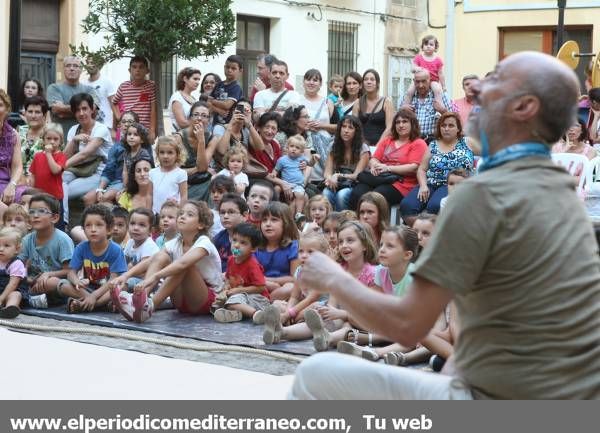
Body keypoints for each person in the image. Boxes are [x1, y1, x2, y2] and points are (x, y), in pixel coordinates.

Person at [290, 51, 600, 400]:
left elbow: (408, 325)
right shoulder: (562, 192)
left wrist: (332, 276)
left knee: (316, 374)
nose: (479, 87)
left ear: (525, 107)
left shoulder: (484, 195)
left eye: (496, 79)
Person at [112, 200, 224, 323]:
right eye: (181, 213)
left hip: (205, 300)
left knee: (184, 266)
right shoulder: (176, 242)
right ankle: (140, 301)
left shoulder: (204, 242)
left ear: (201, 225)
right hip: (181, 301)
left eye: (190, 215)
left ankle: (151, 305)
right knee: (162, 257)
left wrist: (154, 277)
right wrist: (126, 275)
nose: (182, 217)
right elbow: (153, 259)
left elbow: (183, 264)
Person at [400, 112, 474, 224]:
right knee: (407, 206)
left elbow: (491, 151)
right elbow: (422, 169)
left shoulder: (467, 142)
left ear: (458, 128)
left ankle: (432, 235)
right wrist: (423, 186)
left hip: (453, 184)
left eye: (451, 125)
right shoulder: (433, 145)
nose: (446, 129)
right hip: (431, 183)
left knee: (435, 206)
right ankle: (420, 234)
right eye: (443, 125)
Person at [349, 108, 428, 210]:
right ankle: (357, 224)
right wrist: (374, 165)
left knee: (376, 196)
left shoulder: (418, 143)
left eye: (405, 122)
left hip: (402, 183)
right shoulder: (388, 140)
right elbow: (374, 158)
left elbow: (414, 168)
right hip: (380, 178)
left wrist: (387, 168)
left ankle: (377, 225)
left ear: (413, 124)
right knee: (357, 193)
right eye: (398, 122)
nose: (401, 125)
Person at [60, 205, 127, 313]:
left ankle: (87, 304)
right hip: (88, 289)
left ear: (109, 229)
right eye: (88, 225)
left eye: (99, 225)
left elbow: (113, 280)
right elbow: (71, 273)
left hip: (107, 289)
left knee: (119, 288)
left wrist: (94, 297)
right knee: (63, 284)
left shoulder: (115, 250)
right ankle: (97, 304)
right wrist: (77, 281)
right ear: (83, 229)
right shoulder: (81, 248)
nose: (93, 229)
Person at [62, 93, 112, 224]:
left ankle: (64, 222)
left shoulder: (101, 129)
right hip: (80, 170)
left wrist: (61, 167)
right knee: (58, 180)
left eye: (85, 108)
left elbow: (85, 153)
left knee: (61, 189)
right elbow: (65, 156)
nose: (82, 113)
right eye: (77, 110)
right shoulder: (74, 130)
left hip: (99, 172)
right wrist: (73, 140)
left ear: (92, 109)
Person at [19, 194, 74, 309]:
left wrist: (48, 274)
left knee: (52, 282)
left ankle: (86, 298)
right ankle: (29, 299)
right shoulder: (27, 240)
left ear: (54, 218)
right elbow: (19, 264)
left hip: (57, 286)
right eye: (32, 212)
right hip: (33, 285)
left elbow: (69, 271)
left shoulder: (62, 240)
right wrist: (26, 278)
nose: (35, 215)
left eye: (42, 211)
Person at [214, 222, 270, 323]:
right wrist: (226, 289)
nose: (236, 245)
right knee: (218, 303)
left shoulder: (252, 264)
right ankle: (236, 315)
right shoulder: (231, 260)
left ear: (253, 249)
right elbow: (228, 278)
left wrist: (237, 291)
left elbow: (261, 287)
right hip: (241, 297)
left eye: (243, 243)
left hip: (258, 299)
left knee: (233, 301)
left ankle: (257, 314)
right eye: (235, 240)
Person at [323, 115, 370, 211]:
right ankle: (328, 223)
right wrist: (330, 178)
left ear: (356, 131)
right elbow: (327, 172)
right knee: (325, 194)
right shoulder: (333, 146)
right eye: (343, 126)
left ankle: (343, 223)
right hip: (337, 183)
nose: (346, 130)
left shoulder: (363, 148)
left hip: (355, 184)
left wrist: (338, 175)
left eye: (350, 128)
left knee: (341, 195)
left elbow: (357, 176)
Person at [47, 56, 99, 143]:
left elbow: (94, 110)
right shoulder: (54, 88)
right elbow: (57, 111)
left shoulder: (89, 90)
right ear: (64, 69)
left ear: (81, 70)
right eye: (68, 66)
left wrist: (64, 110)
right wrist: (85, 111)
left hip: (86, 140)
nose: (72, 68)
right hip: (60, 140)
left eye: (75, 66)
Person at [174, 101, 216, 202]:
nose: (199, 118)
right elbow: (174, 171)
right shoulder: (178, 138)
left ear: (209, 121)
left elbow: (202, 167)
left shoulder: (212, 138)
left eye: (204, 116)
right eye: (196, 115)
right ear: (190, 118)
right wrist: (196, 169)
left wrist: (201, 140)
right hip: (183, 182)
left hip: (202, 181)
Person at [28, 124, 67, 227]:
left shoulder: (61, 156)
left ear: (61, 142)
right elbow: (33, 175)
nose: (52, 142)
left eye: (55, 139)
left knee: (56, 224)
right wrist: (30, 189)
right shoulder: (38, 156)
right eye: (48, 138)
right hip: (39, 197)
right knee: (39, 222)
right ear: (43, 140)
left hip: (55, 198)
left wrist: (48, 154)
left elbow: (55, 170)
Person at [112, 56, 157, 141]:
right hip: (127, 132)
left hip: (143, 132)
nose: (137, 70)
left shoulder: (151, 86)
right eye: (134, 67)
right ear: (129, 70)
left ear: (147, 71)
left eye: (141, 67)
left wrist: (152, 131)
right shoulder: (123, 86)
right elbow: (114, 102)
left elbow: (153, 110)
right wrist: (119, 117)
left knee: (144, 153)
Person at [402, 69, 453, 142]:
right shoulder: (408, 97)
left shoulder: (441, 95)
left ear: (430, 80)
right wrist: (402, 110)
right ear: (413, 81)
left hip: (434, 141)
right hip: (413, 141)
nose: (420, 85)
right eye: (417, 82)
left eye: (423, 81)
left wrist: (443, 111)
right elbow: (398, 120)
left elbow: (453, 119)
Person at [0, 90, 27, 215]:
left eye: (0, 105)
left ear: (7, 109)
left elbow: (17, 166)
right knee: (10, 212)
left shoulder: (13, 134)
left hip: (6, 182)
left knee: (29, 198)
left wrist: (12, 184)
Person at [403, 35, 446, 109]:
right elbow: (412, 68)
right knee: (410, 91)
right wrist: (417, 68)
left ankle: (439, 107)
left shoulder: (438, 60)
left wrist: (443, 85)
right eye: (426, 44)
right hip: (420, 80)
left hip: (433, 80)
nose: (428, 46)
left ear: (435, 47)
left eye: (431, 44)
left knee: (438, 90)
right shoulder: (419, 57)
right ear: (422, 47)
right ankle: (405, 106)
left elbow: (441, 74)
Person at [353, 69, 394, 147]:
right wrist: (362, 146)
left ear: (377, 83)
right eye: (366, 79)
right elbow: (354, 126)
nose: (369, 82)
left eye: (372, 79)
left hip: (381, 146)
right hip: (361, 147)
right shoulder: (357, 103)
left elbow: (390, 127)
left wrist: (378, 146)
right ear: (363, 84)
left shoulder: (386, 102)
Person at [272, 134, 310, 216]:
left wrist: (312, 160)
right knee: (276, 189)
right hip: (285, 183)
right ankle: (275, 207)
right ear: (287, 147)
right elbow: (276, 170)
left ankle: (298, 214)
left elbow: (310, 163)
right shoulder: (282, 160)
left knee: (299, 195)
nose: (294, 149)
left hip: (297, 184)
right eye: (292, 146)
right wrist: (273, 174)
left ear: (301, 151)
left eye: (297, 148)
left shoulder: (301, 159)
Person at [149, 136, 188, 214]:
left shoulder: (180, 173)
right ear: (157, 154)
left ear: (177, 154)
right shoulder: (152, 173)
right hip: (155, 214)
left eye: (170, 152)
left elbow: (184, 196)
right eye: (162, 152)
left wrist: (180, 210)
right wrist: (149, 213)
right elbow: (149, 195)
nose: (165, 156)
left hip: (172, 215)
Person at [123, 208, 159, 291]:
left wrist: (129, 270)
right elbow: (123, 262)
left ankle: (118, 299)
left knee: (126, 281)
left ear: (151, 230)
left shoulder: (149, 245)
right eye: (132, 223)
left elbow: (144, 271)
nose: (136, 228)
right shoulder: (130, 242)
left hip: (147, 283)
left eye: (142, 225)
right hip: (131, 277)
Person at [214, 193, 249, 272]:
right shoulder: (218, 238)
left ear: (245, 216)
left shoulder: (250, 237)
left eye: (231, 212)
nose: (225, 216)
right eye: (222, 212)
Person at [18, 96, 48, 184]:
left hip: (42, 181)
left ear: (45, 115)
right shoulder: (19, 131)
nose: (33, 116)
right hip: (17, 179)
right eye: (30, 111)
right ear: (25, 113)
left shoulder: (51, 134)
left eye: (37, 112)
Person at [207, 55, 244, 126]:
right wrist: (218, 110)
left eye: (233, 68)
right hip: (214, 123)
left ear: (240, 71)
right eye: (227, 67)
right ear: (224, 67)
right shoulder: (218, 85)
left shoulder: (236, 88)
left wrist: (213, 101)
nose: (229, 70)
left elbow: (227, 105)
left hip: (228, 126)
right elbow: (208, 103)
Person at [82, 57, 116, 133]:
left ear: (99, 64)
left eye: (93, 62)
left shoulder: (107, 81)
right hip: (89, 127)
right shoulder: (83, 84)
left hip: (106, 126)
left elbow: (114, 106)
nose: (90, 65)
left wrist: (114, 129)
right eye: (88, 63)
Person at [0, 227, 27, 318]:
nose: (1, 249)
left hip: (11, 292)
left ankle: (10, 309)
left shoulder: (16, 264)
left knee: (15, 295)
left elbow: (13, 284)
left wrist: (1, 298)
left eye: (6, 245)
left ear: (17, 249)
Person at [168, 67, 201, 131]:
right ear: (185, 79)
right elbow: (182, 123)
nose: (197, 82)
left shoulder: (194, 98)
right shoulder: (177, 97)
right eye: (195, 79)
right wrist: (200, 121)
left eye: (199, 80)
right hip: (180, 137)